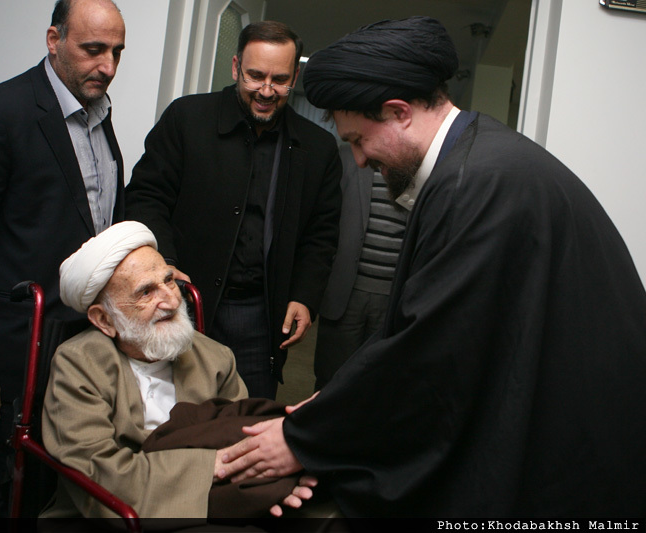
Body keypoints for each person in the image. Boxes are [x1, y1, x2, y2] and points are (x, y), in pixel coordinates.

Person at [216, 17, 646, 517]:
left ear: (398, 112)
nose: (359, 160)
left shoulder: (471, 185)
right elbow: (415, 326)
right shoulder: (475, 158)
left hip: (583, 449)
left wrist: (303, 439)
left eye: (358, 140)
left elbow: (430, 359)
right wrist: (332, 405)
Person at [0, 0, 126, 516]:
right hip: (18, 354)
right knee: (13, 497)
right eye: (93, 49)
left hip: (83, 349)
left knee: (59, 497)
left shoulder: (99, 116)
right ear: (54, 40)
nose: (107, 65)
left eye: (116, 52)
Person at [125, 21, 342, 400]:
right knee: (172, 414)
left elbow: (320, 236)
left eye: (280, 80)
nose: (266, 91)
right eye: (255, 76)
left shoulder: (318, 148)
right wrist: (165, 264)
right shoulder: (186, 118)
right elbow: (146, 197)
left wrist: (304, 296)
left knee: (246, 419)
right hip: (180, 302)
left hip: (260, 316)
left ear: (295, 77)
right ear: (235, 67)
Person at [41, 221, 315, 518]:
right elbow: (100, 475)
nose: (172, 301)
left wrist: (266, 485)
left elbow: (242, 442)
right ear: (104, 320)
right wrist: (212, 466)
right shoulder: (78, 365)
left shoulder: (215, 358)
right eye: (146, 292)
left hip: (210, 502)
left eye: (169, 280)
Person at [314, 143, 406, 390]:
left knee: (376, 387)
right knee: (330, 383)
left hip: (393, 300)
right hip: (343, 295)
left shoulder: (415, 162)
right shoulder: (345, 156)